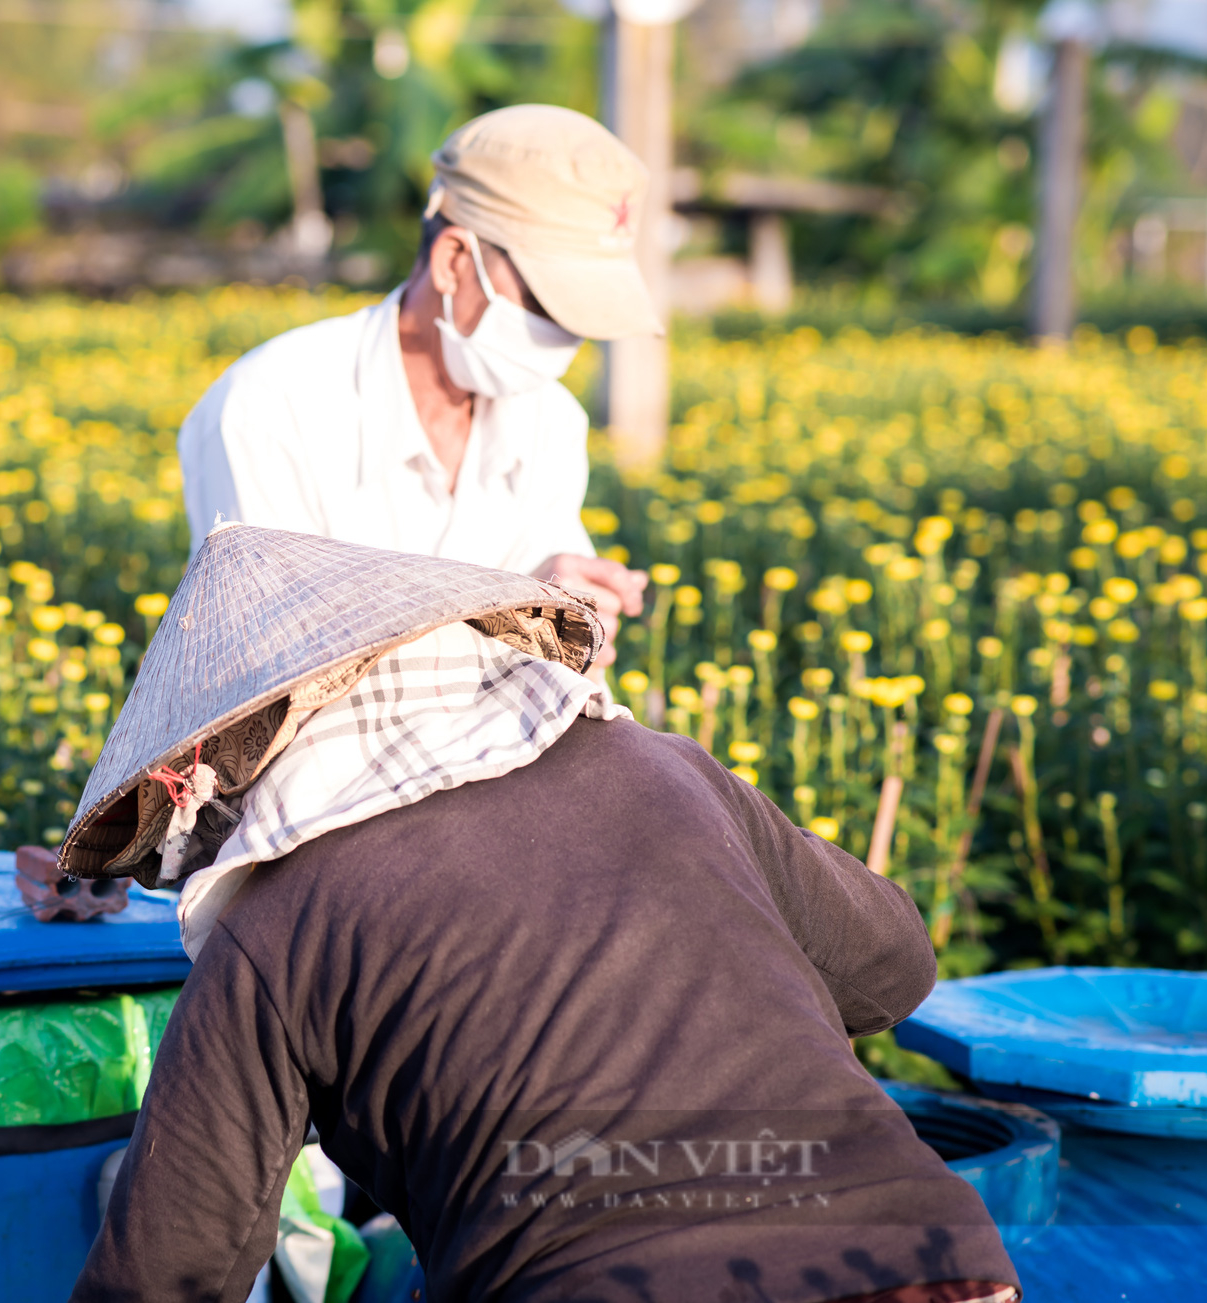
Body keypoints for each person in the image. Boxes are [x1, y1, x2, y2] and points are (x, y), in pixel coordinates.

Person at [59, 524, 1019, 1303]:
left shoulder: (277, 922)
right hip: (930, 1266)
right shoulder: (669, 772)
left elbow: (171, 1272)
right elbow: (893, 966)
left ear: (225, 776)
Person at [177, 105, 664, 665]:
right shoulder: (272, 407)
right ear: (454, 261)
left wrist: (565, 606)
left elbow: (553, 611)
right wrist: (504, 621)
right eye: (546, 304)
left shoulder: (551, 419)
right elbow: (277, 662)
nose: (563, 336)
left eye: (582, 318)